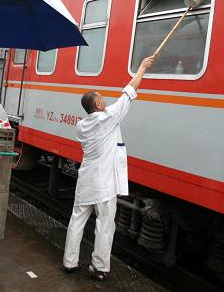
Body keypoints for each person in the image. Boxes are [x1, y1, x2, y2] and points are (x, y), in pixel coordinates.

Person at [63, 55, 155, 280]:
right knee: (104, 226)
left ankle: (70, 262)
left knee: (77, 221)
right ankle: (99, 267)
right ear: (97, 104)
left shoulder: (81, 126)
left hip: (86, 181)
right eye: (102, 99)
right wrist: (142, 68)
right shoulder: (109, 118)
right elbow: (129, 91)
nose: (106, 101)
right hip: (104, 184)